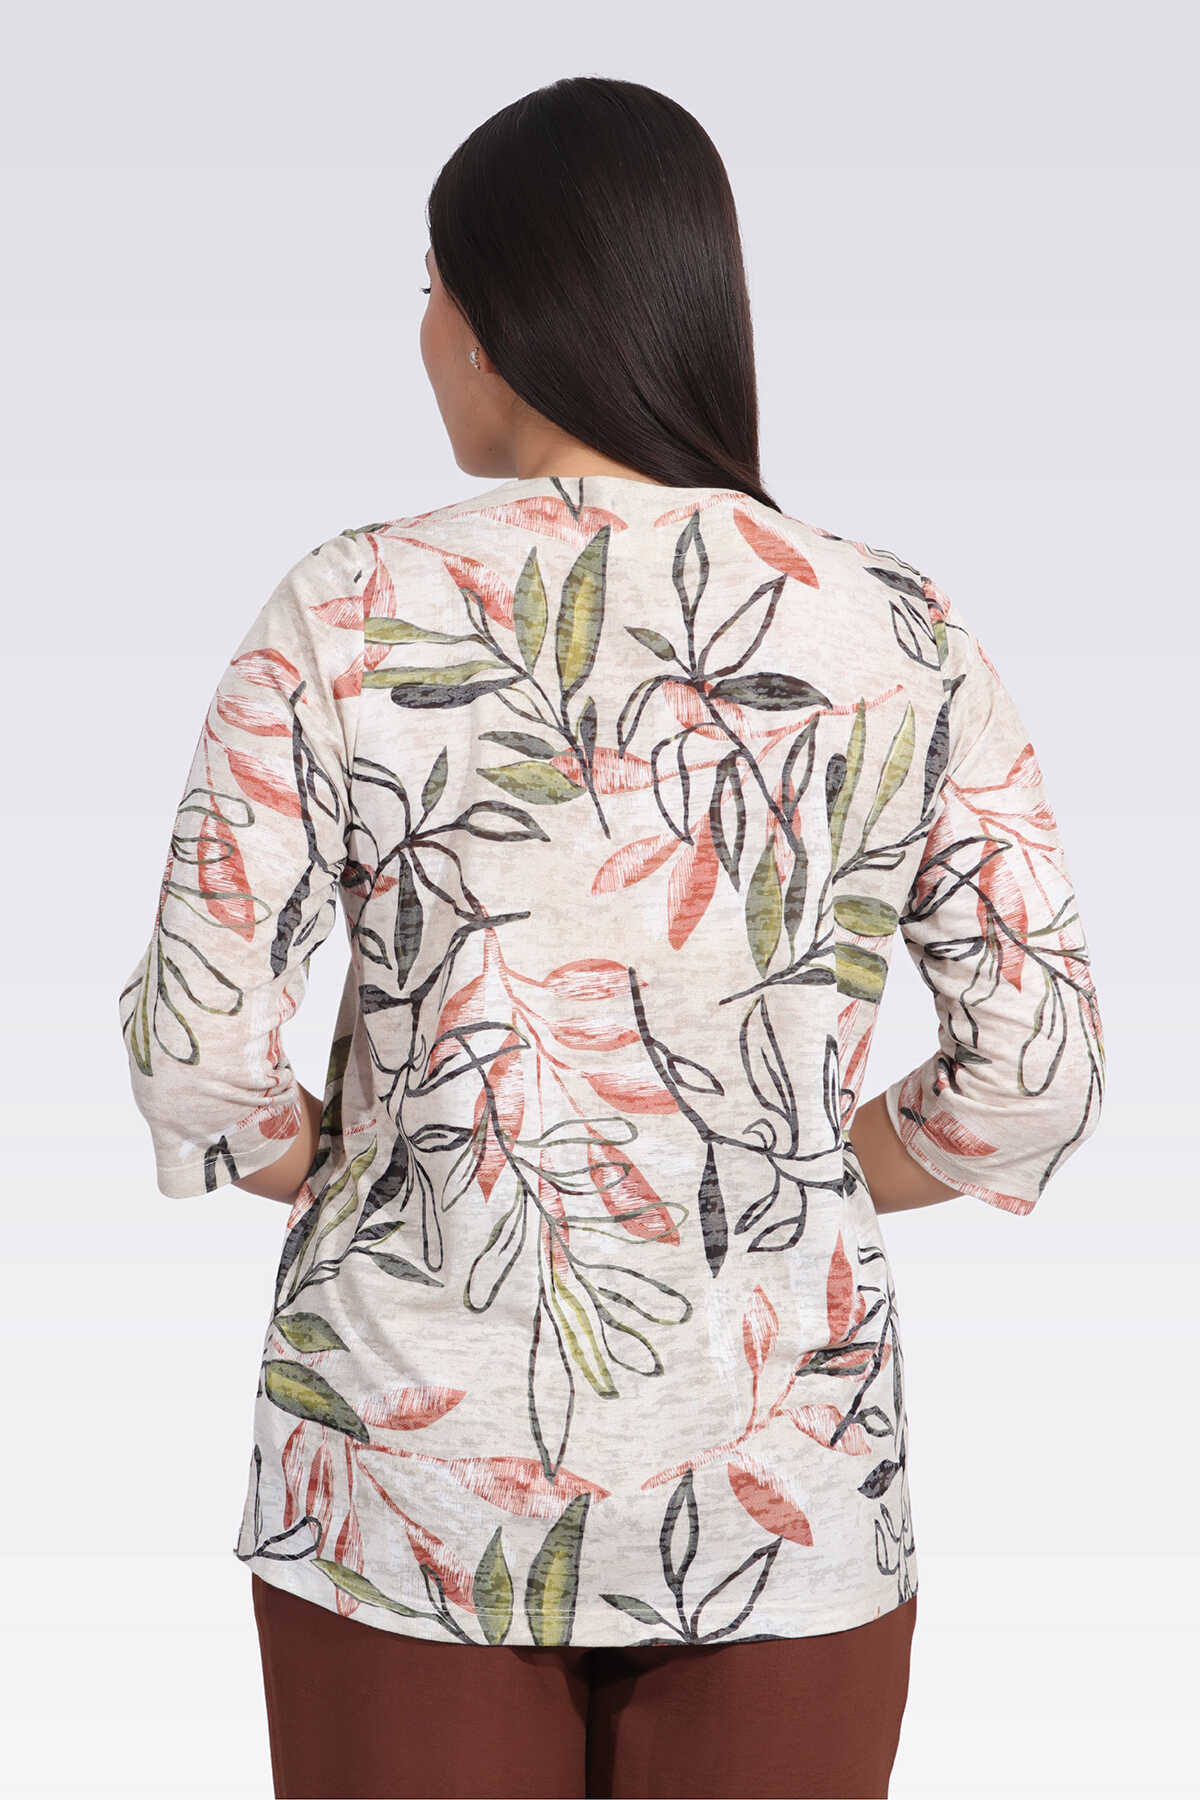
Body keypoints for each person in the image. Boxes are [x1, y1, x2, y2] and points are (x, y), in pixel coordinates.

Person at [117, 74, 1106, 1800]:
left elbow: (198, 1051)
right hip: (784, 1476)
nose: (421, 333)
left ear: (502, 319)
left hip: (408, 1488)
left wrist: (357, 1167)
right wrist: (800, 1171)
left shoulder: (350, 609)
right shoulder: (896, 630)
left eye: (428, 286)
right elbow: (1037, 1077)